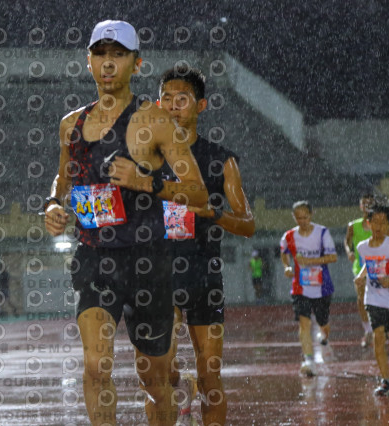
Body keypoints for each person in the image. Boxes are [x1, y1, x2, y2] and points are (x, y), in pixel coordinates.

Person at [43, 20, 208, 426]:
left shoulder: (156, 121)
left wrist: (146, 181)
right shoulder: (71, 125)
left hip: (148, 262)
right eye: (100, 54)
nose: (108, 63)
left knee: (154, 381)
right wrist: (53, 204)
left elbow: (198, 193)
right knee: (95, 366)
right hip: (95, 258)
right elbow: (63, 178)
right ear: (88, 61)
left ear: (137, 63)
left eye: (118, 55)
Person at [151, 66, 255, 425]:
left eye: (182, 99)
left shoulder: (220, 160)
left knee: (210, 377)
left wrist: (214, 213)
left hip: (203, 275)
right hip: (158, 274)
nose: (173, 106)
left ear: (201, 105)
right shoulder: (145, 159)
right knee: (160, 371)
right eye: (166, 99)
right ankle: (181, 387)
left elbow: (248, 225)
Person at [354, 202, 389, 396]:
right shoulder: (362, 247)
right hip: (374, 299)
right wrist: (361, 277)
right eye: (375, 222)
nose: (378, 226)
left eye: (383, 222)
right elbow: (369, 264)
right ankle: (386, 381)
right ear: (368, 223)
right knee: (378, 337)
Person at [280, 201, 337, 376]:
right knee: (304, 323)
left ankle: (324, 340)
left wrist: (310, 261)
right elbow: (284, 253)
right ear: (293, 217)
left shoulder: (322, 233)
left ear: (311, 215)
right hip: (300, 287)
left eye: (305, 217)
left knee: (323, 323)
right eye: (298, 218)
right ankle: (309, 361)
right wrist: (287, 267)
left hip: (322, 286)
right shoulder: (289, 236)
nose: (302, 221)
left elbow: (333, 257)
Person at [344, 193, 375, 347]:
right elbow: (346, 241)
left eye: (370, 203)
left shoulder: (379, 223)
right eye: (364, 203)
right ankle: (368, 330)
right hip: (360, 267)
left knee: (380, 297)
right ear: (360, 206)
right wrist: (349, 252)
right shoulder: (353, 225)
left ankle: (382, 328)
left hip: (378, 267)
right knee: (361, 299)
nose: (367, 206)